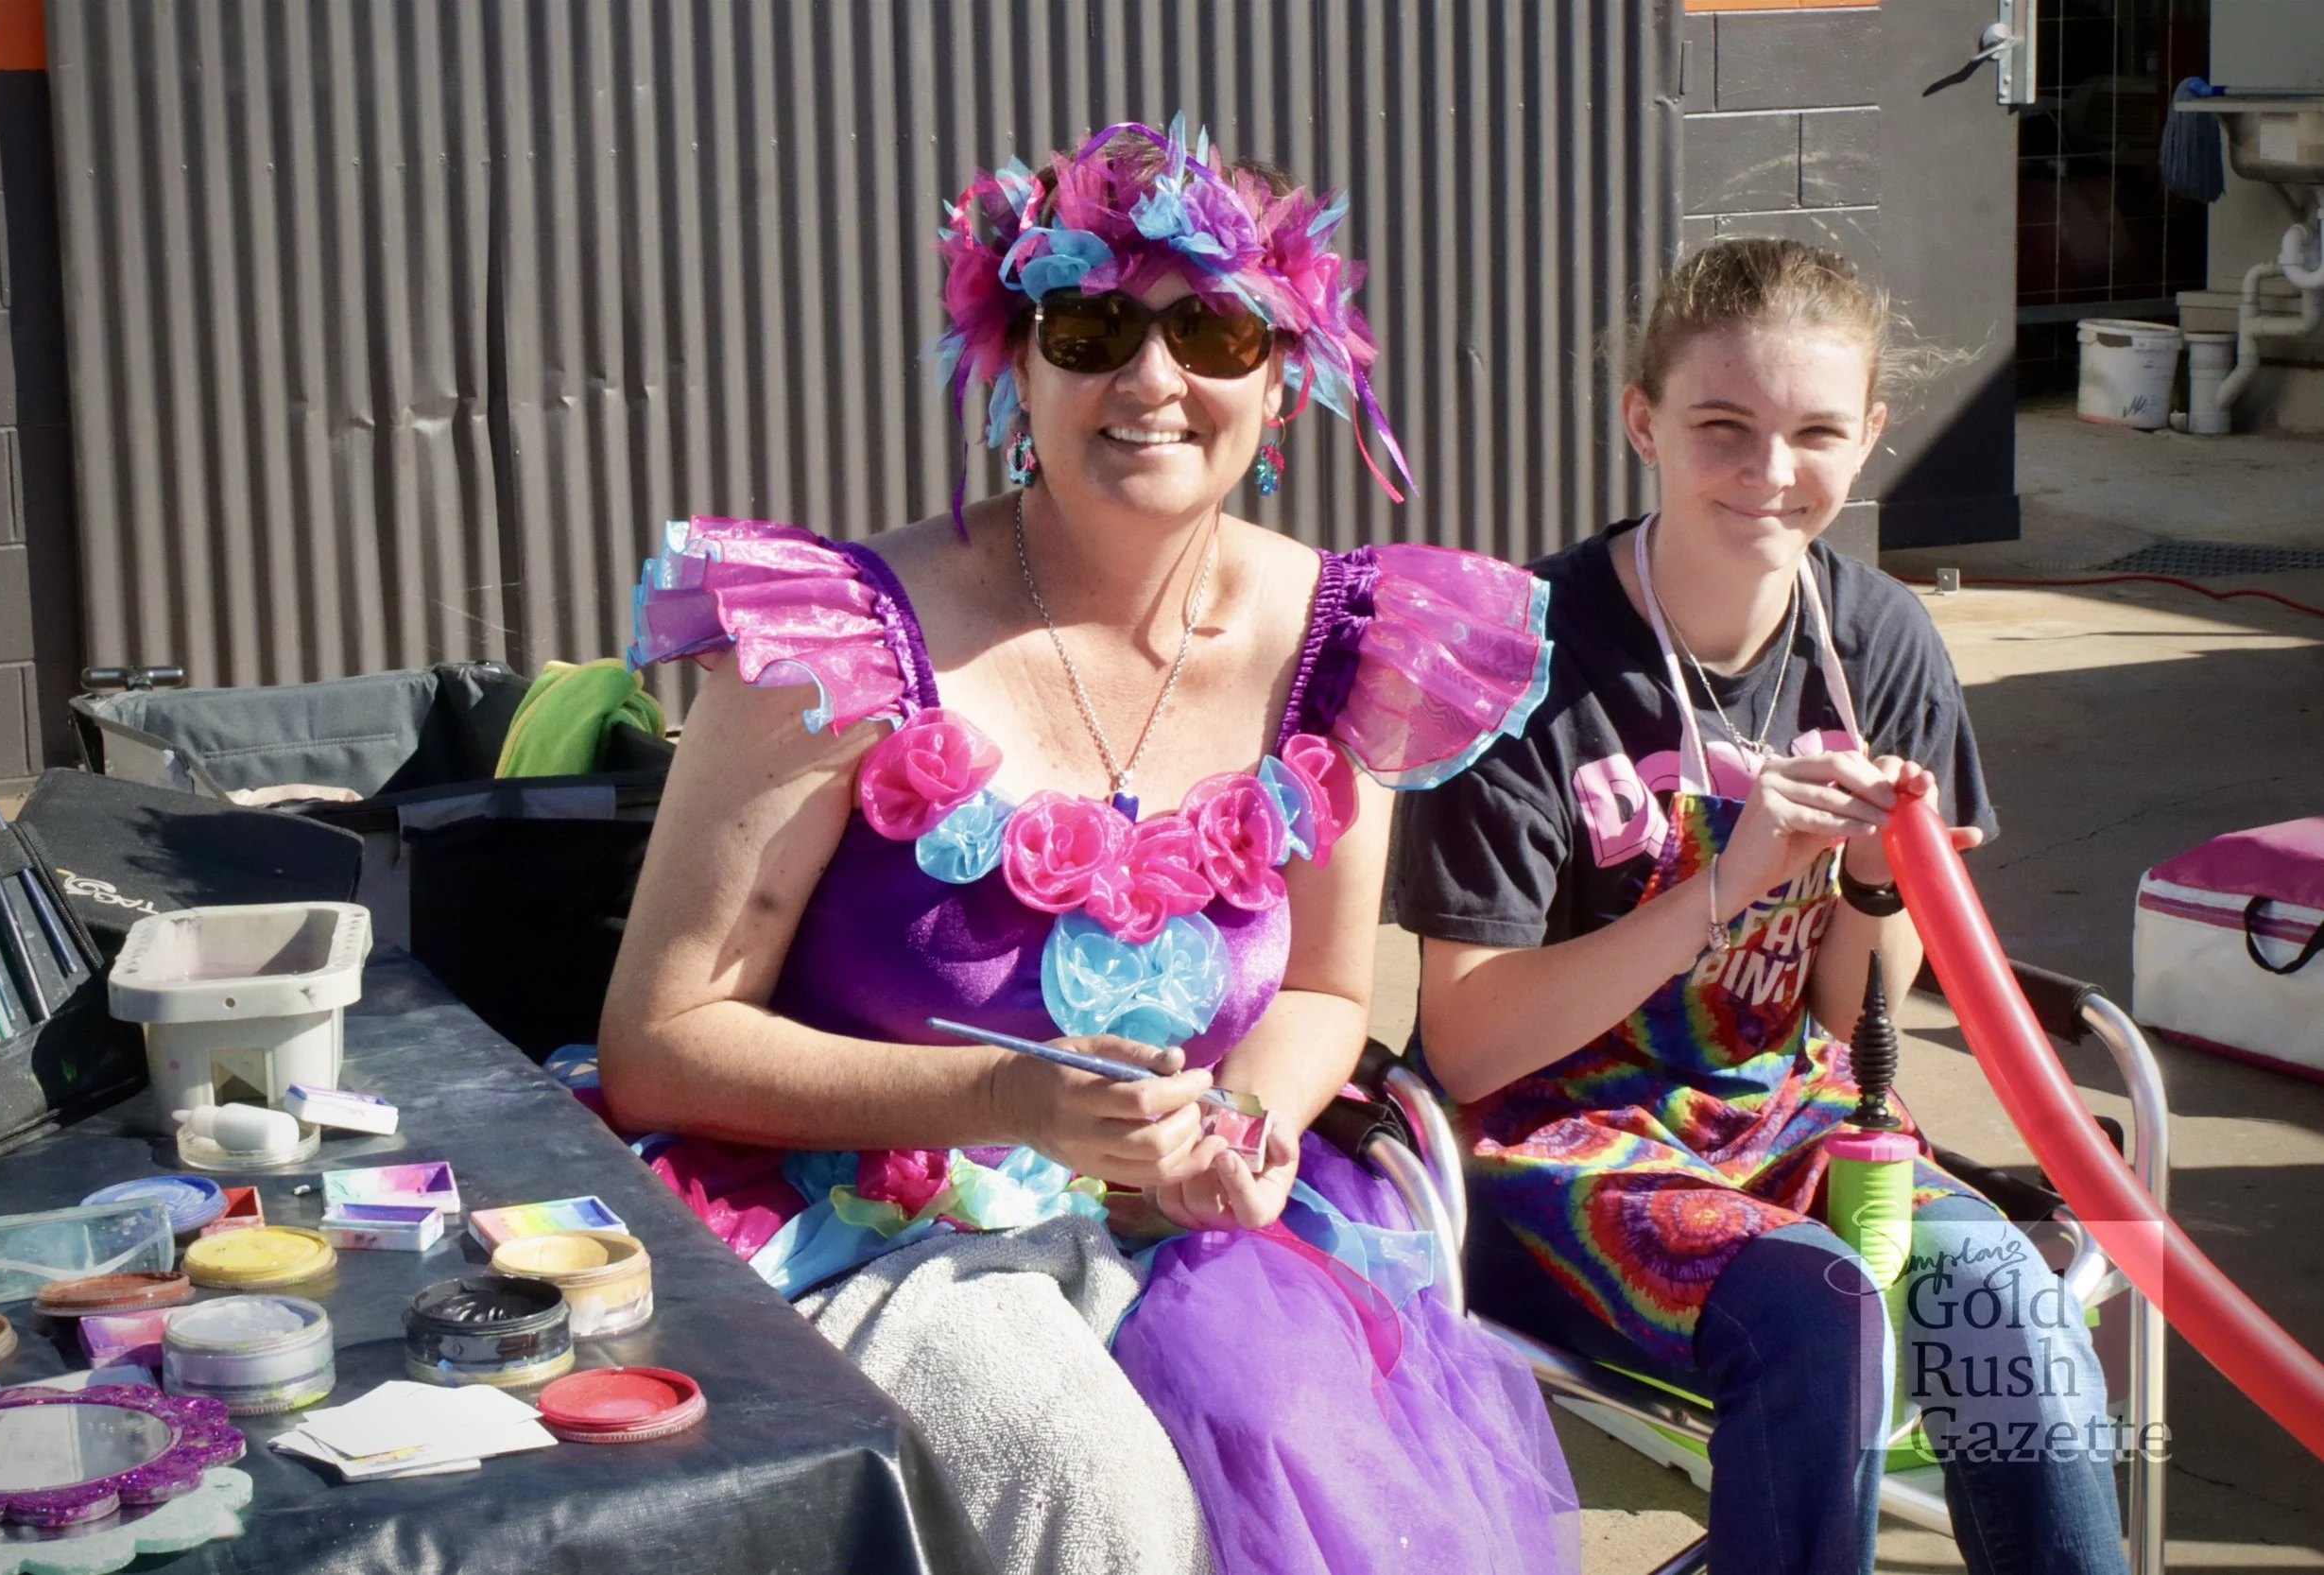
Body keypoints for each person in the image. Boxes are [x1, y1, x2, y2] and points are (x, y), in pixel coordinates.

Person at [593, 119, 1577, 1575]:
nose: (1154, 379)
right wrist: (1008, 1094)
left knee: (1296, 1433)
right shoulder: (839, 638)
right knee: (1095, 1493)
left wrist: (1248, 1125)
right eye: (1093, 322)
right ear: (1018, 365)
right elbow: (655, 1045)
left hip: (1192, 1223)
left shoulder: (1343, 640)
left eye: (1216, 330)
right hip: (878, 1222)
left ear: (1282, 383)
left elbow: (1321, 992)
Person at [1393, 237, 2128, 1575]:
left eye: (1815, 433)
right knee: (1825, 1308)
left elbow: (1854, 1020)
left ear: (1872, 437)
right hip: (1553, 1142)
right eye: (1722, 426)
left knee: (2008, 1298)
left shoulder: (1884, 640)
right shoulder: (1519, 664)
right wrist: (1732, 875)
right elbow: (1470, 1048)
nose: (1770, 472)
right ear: (1642, 422)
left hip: (1787, 1118)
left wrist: (1867, 876)